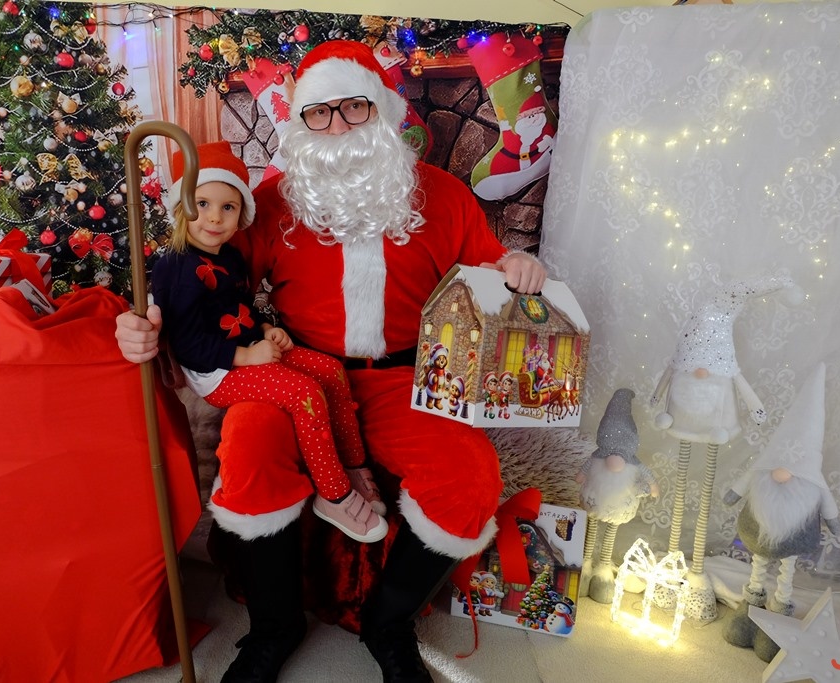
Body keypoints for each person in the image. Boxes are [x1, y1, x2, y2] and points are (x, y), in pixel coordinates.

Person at [116, 39, 547, 683]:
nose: (339, 127)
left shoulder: (444, 195)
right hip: (295, 369)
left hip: (404, 378)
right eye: (320, 113)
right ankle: (274, 625)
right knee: (250, 449)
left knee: (470, 475)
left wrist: (517, 264)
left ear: (383, 110)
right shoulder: (272, 201)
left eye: (354, 107)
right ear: (301, 123)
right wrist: (143, 322)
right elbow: (204, 279)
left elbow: (490, 265)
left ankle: (388, 622)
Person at [153, 140, 387, 543]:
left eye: (228, 207)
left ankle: (352, 464)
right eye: (202, 204)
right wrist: (246, 355)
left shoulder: (229, 257)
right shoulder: (174, 267)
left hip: (250, 349)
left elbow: (242, 304)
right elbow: (189, 345)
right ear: (181, 207)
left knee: (329, 370)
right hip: (216, 372)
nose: (215, 217)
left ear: (240, 214)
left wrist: (264, 329)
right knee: (304, 393)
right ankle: (333, 494)